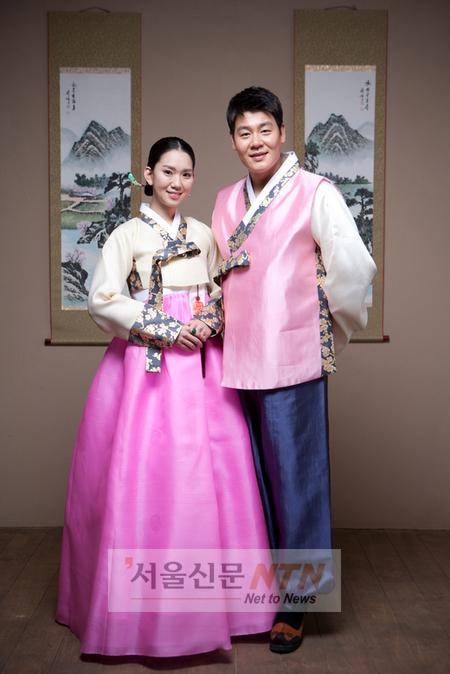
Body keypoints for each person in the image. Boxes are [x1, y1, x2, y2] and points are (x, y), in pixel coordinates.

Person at [55, 136, 274, 657]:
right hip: (146, 365)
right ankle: (141, 616)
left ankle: (225, 607)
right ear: (148, 175)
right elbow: (103, 300)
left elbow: (223, 289)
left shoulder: (203, 233)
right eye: (168, 172)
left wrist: (207, 319)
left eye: (187, 174)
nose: (178, 182)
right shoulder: (127, 234)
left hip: (203, 362)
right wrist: (166, 328)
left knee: (217, 474)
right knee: (146, 474)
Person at [211, 87, 377, 654]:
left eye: (265, 129)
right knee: (250, 481)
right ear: (233, 141)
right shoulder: (224, 200)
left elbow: (352, 266)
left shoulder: (315, 191)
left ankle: (297, 603)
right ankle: (258, 593)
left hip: (292, 357)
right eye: (244, 132)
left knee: (298, 482)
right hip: (236, 358)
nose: (255, 141)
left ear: (282, 133)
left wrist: (322, 324)